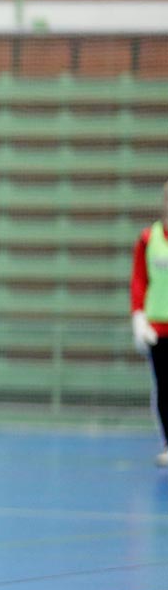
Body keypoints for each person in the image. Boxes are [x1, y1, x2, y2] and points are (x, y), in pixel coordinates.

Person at [129, 180, 168, 467]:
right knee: (164, 388)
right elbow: (139, 281)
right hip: (158, 328)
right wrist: (139, 318)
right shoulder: (148, 238)